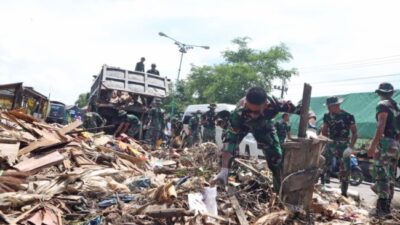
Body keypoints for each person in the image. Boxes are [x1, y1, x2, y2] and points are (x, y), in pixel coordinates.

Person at [214, 87, 299, 193]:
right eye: (250, 110)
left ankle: (280, 191)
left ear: (265, 104)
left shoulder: (275, 104)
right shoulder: (238, 112)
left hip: (263, 126)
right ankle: (223, 183)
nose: (253, 114)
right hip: (243, 124)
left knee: (276, 159)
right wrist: (224, 169)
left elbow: (304, 110)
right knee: (227, 155)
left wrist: (311, 125)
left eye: (257, 111)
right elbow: (230, 141)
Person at [368, 83, 399, 216]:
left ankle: (381, 210)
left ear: (379, 93)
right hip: (395, 145)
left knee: (381, 174)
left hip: (385, 143)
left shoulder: (383, 105)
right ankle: (387, 208)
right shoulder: (397, 108)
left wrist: (373, 145)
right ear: (391, 93)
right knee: (390, 176)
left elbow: (381, 126)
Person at [321, 96, 358, 197]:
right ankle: (321, 186)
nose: (328, 108)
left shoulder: (348, 116)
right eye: (327, 106)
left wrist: (350, 147)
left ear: (337, 105)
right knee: (322, 163)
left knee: (346, 169)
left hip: (344, 144)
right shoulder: (327, 116)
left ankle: (344, 193)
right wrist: (325, 142)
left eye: (330, 106)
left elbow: (354, 133)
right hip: (331, 142)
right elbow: (324, 131)